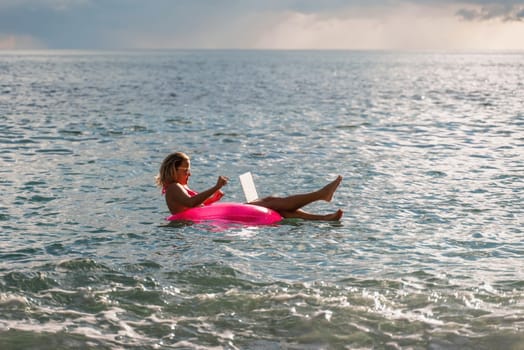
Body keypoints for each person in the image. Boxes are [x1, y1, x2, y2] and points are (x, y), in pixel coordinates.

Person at [156, 151, 343, 221]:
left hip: (206, 216)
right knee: (270, 201)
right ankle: (320, 194)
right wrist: (214, 187)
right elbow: (189, 203)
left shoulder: (176, 187)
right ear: (173, 169)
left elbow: (194, 203)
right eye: (185, 170)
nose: (189, 174)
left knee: (278, 209)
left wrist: (213, 197)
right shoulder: (173, 187)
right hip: (202, 220)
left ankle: (323, 218)